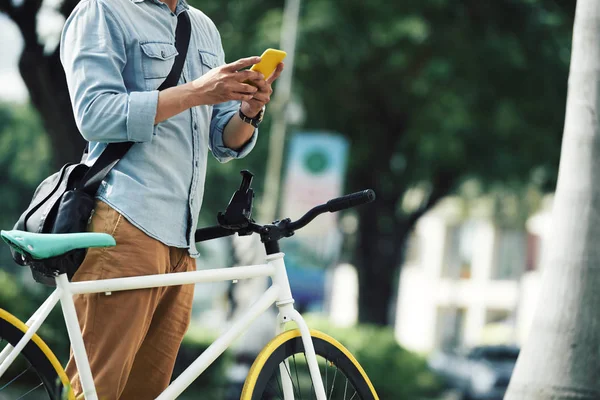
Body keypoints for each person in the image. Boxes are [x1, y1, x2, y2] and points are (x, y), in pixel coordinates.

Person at [59, 0, 283, 397]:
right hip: (125, 222)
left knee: (148, 392)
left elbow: (223, 139)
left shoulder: (203, 27)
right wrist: (197, 91)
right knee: (97, 389)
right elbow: (94, 115)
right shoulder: (102, 9)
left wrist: (248, 111)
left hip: (182, 242)